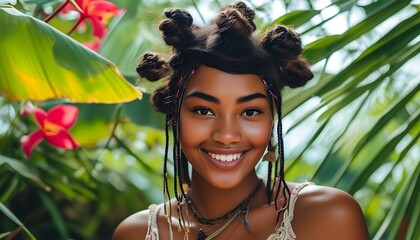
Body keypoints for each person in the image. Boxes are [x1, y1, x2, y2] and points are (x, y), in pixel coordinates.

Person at [113, 2, 370, 239]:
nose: (226, 135)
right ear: (175, 114)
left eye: (250, 112)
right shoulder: (135, 233)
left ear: (271, 118)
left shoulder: (325, 217)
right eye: (204, 111)